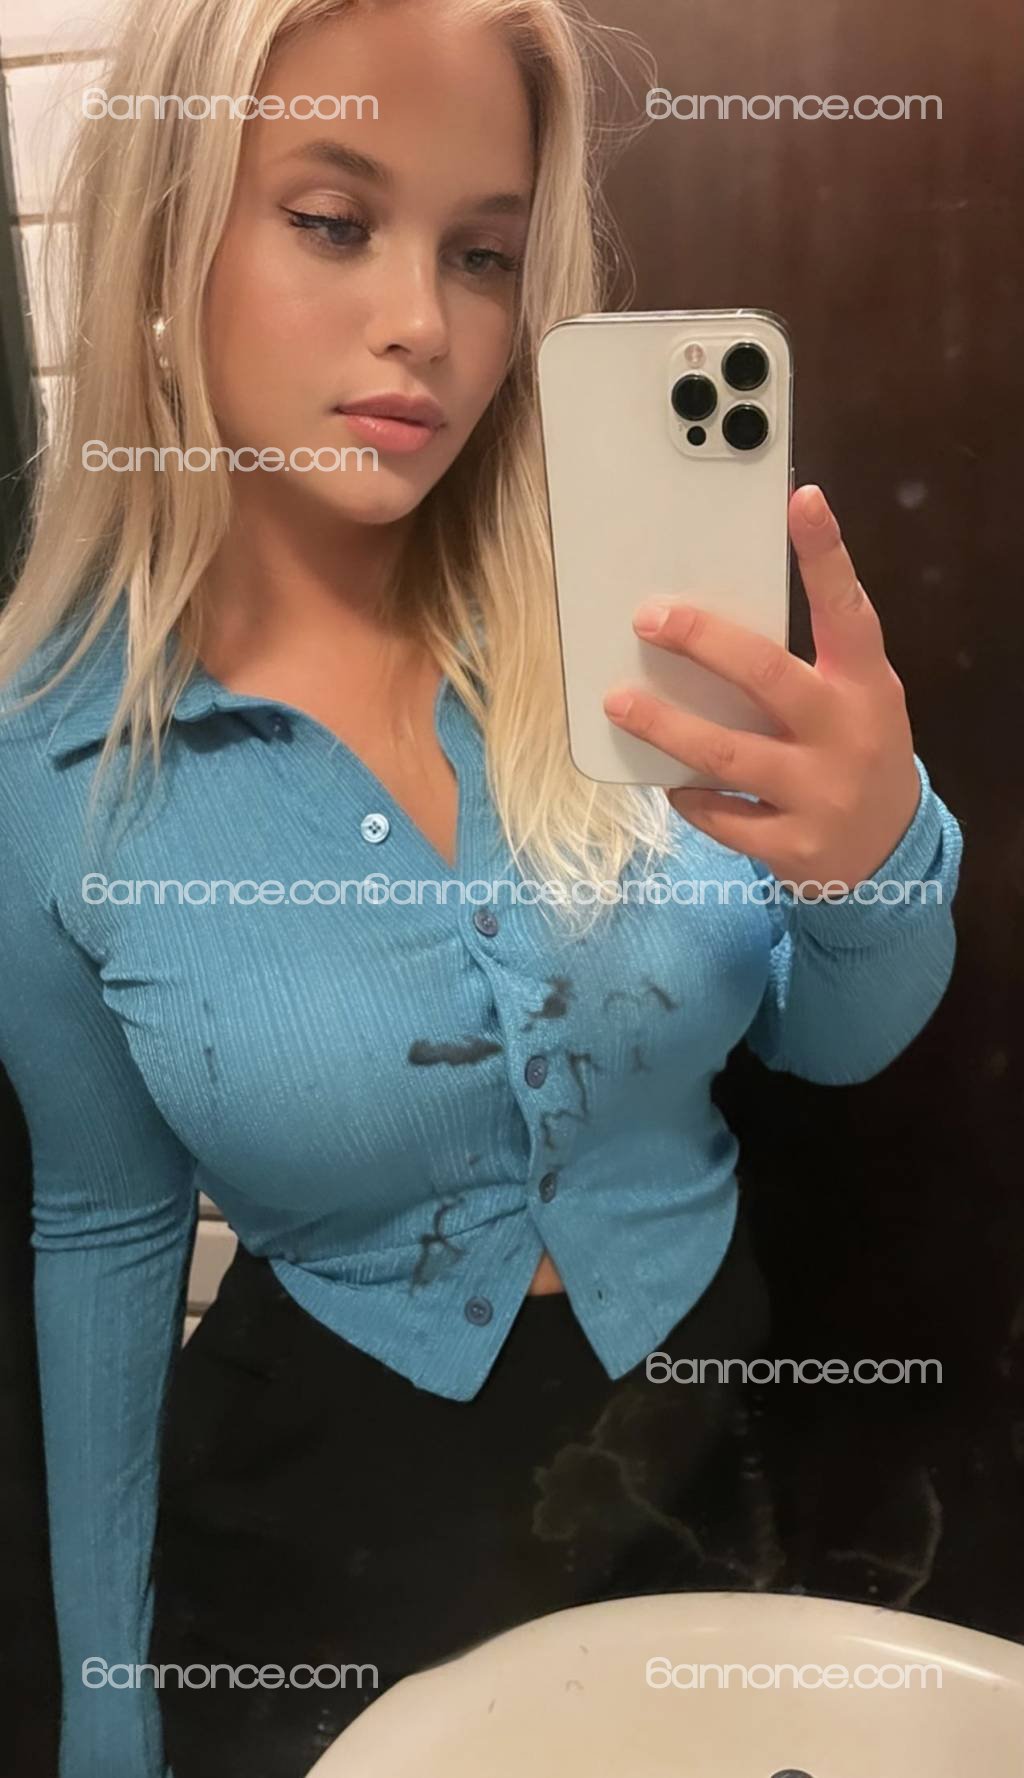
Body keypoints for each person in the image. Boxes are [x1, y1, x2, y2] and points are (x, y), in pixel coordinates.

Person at [0, 2, 963, 1775]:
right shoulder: (52, 766)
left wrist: (877, 856)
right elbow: (107, 1226)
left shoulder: (635, 640)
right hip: (316, 1527)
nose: (424, 325)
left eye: (484, 254)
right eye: (333, 220)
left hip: (697, 1450)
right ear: (165, 231)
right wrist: (104, 1706)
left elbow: (833, 1042)